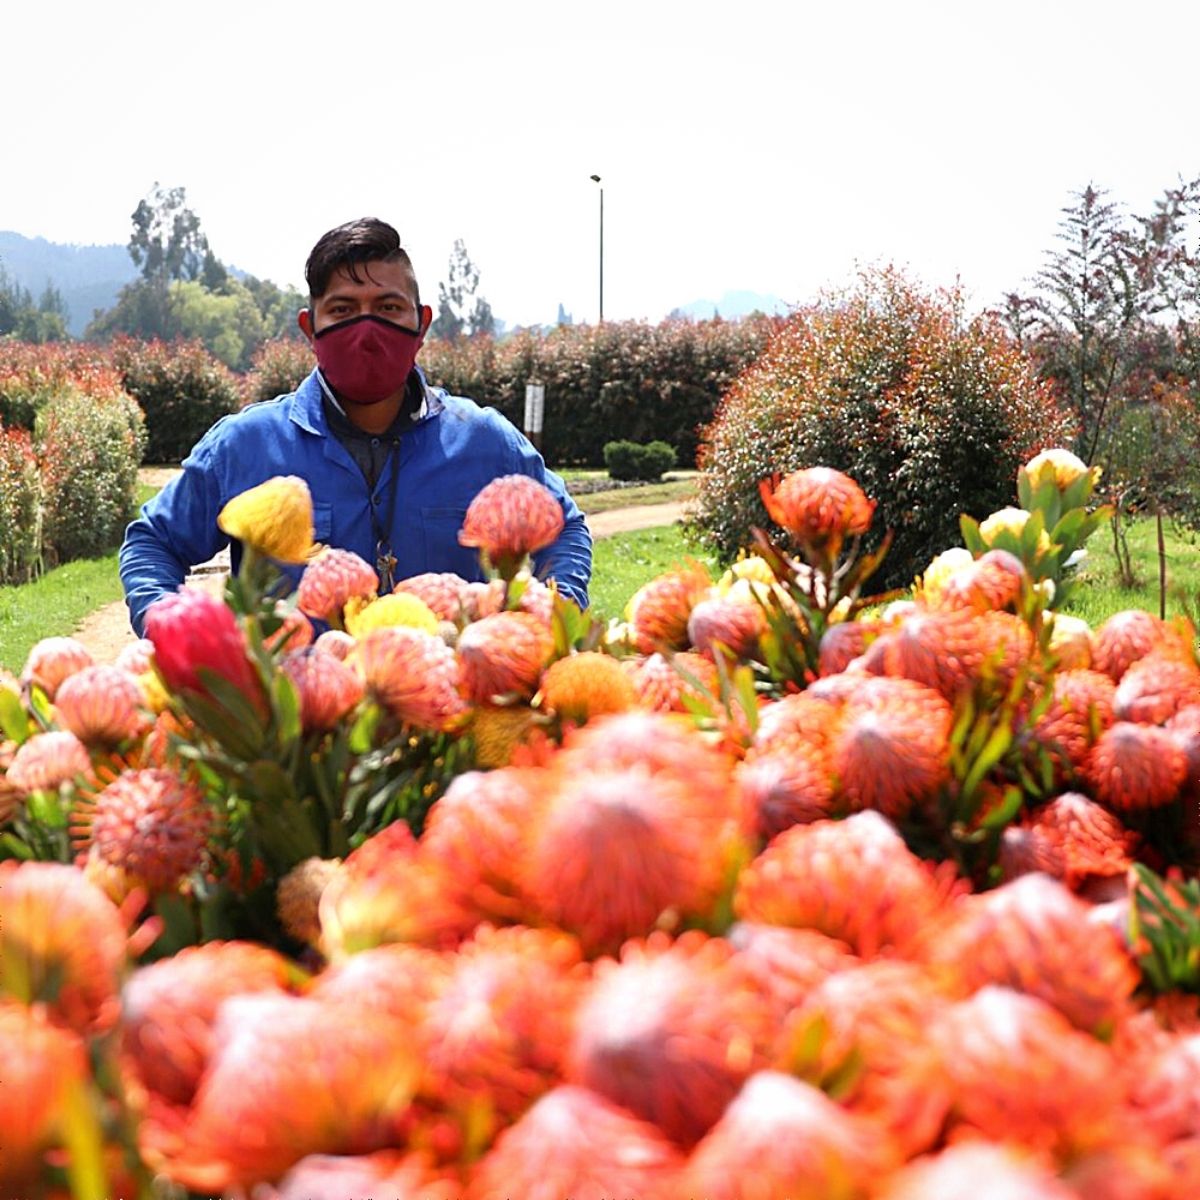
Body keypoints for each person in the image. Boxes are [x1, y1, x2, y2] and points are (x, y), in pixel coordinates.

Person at [119, 218, 592, 635]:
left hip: (447, 722)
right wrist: (175, 632)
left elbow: (564, 528)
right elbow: (152, 543)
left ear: (421, 324)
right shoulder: (247, 446)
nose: (366, 330)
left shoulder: (484, 442)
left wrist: (548, 623)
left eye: (388, 308)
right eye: (343, 311)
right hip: (295, 726)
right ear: (311, 329)